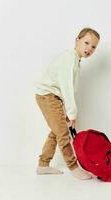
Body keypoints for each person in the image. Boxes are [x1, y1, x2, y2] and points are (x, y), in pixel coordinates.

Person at [35, 27, 100, 180]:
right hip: (47, 95)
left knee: (56, 131)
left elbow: (67, 89)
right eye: (86, 43)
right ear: (76, 40)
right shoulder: (69, 58)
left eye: (93, 47)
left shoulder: (75, 60)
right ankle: (73, 166)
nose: (89, 48)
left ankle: (43, 164)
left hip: (54, 97)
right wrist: (72, 113)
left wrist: (68, 111)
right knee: (63, 134)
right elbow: (67, 88)